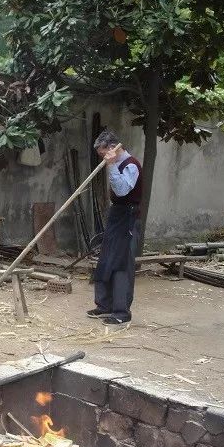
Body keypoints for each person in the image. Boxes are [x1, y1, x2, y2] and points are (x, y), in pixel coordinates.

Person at [87, 130, 142, 325]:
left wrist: (110, 165)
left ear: (112, 148)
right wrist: (111, 164)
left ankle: (121, 312)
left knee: (121, 264)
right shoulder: (117, 163)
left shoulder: (131, 165)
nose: (102, 158)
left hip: (128, 216)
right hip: (116, 214)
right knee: (106, 259)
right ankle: (104, 305)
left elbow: (122, 189)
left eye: (103, 154)